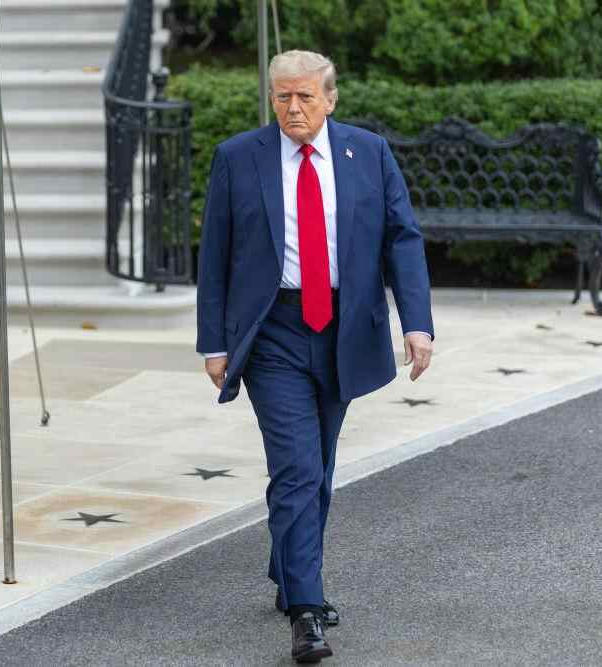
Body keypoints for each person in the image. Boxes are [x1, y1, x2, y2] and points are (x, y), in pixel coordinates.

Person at [196, 49, 434, 663]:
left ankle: (287, 569)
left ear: (330, 98)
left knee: (318, 468)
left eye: (305, 96)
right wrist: (214, 342)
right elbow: (214, 254)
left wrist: (417, 324)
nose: (293, 108)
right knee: (298, 468)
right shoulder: (238, 157)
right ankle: (306, 609)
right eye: (283, 97)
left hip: (343, 330)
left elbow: (402, 240)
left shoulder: (368, 153)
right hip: (273, 333)